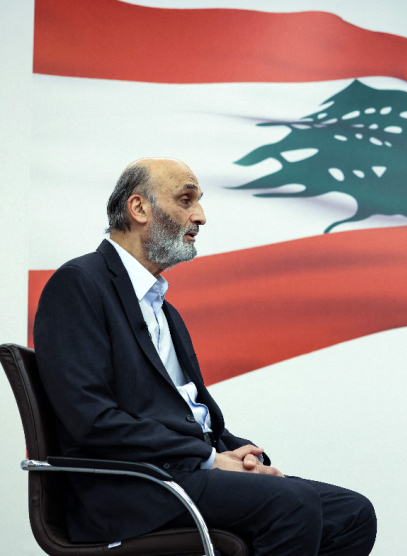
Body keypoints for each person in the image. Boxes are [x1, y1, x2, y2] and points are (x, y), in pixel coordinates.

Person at [33, 157, 377, 556]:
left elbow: (179, 411)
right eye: (186, 200)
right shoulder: (79, 283)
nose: (200, 216)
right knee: (291, 505)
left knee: (352, 513)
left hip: (181, 471)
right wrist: (209, 458)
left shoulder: (163, 308)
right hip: (131, 488)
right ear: (139, 207)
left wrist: (234, 452)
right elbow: (91, 420)